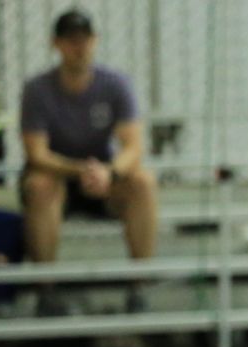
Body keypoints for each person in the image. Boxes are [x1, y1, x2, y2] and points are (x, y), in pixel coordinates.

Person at [20, 9, 156, 312]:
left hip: (102, 177)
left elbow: (133, 145)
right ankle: (46, 290)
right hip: (59, 176)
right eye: (71, 41)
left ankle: (139, 285)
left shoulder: (116, 84)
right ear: (56, 44)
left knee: (143, 182)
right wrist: (79, 170)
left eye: (84, 40)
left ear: (95, 41)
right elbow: (37, 154)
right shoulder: (38, 89)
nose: (79, 48)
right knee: (40, 186)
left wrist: (110, 173)